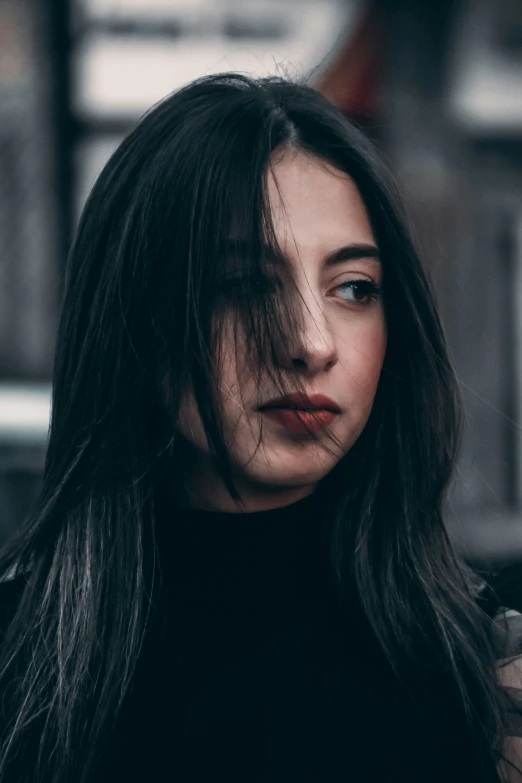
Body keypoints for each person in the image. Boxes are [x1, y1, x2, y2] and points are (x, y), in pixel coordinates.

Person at [0, 72, 521, 783]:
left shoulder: (483, 681)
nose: (310, 342)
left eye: (354, 289)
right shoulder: (21, 671)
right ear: (137, 316)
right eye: (244, 284)